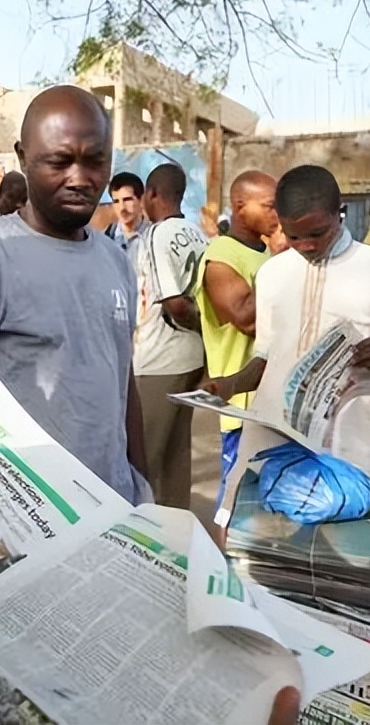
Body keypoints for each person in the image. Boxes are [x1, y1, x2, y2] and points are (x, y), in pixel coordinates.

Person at [0, 85, 150, 503]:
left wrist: (142, 485)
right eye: (60, 161)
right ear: (23, 158)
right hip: (34, 522)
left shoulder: (115, 259)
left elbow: (123, 382)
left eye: (95, 160)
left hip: (115, 507)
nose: (81, 179)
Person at [205, 166, 370, 479]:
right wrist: (231, 384)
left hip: (348, 456)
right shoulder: (272, 273)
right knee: (262, 526)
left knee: (341, 529)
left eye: (317, 233)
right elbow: (265, 357)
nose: (305, 245)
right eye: (293, 236)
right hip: (272, 449)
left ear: (337, 213)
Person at [195, 170, 279, 511]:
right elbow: (247, 319)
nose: (278, 214)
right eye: (271, 206)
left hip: (276, 404)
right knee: (234, 502)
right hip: (241, 407)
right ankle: (222, 562)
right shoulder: (222, 255)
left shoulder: (267, 254)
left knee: (269, 505)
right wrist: (284, 262)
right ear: (241, 206)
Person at [133, 162, 210, 508]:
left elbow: (174, 302)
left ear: (152, 195)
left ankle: (145, 536)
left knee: (144, 458)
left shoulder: (157, 234)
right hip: (192, 358)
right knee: (177, 454)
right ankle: (179, 527)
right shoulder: (197, 233)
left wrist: (195, 324)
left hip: (159, 359)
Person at [105, 170, 146, 254]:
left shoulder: (154, 237)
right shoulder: (106, 239)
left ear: (141, 200)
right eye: (116, 201)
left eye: (127, 200)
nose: (122, 208)